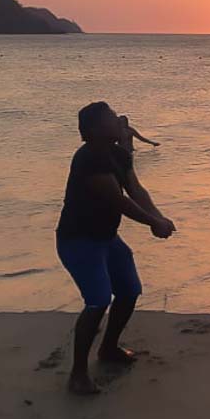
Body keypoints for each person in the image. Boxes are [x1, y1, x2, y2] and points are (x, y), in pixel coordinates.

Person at [56, 101, 176, 395]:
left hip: (107, 238)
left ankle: (108, 348)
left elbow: (135, 190)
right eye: (111, 118)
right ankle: (78, 374)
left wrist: (158, 217)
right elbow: (117, 200)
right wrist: (152, 223)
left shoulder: (119, 153)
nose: (118, 121)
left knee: (129, 290)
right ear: (95, 129)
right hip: (79, 241)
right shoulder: (88, 159)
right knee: (98, 301)